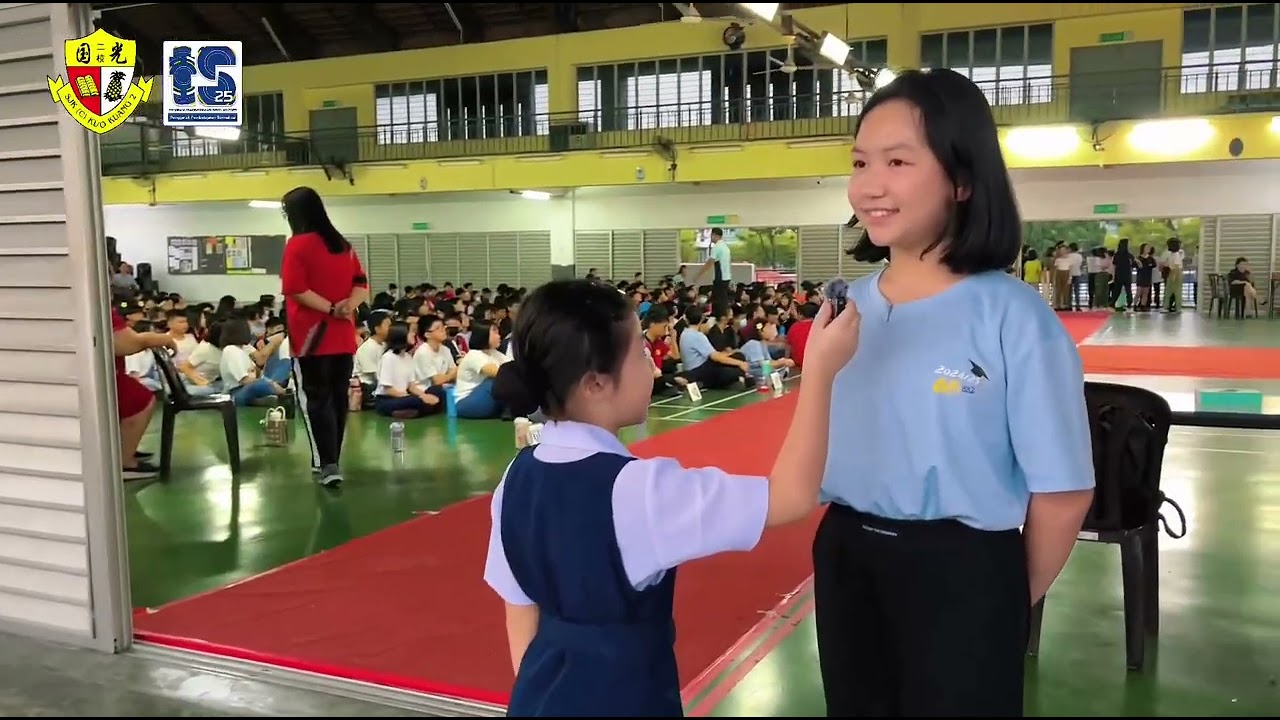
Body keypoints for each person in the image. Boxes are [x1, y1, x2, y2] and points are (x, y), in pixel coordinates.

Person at [815, 68, 1097, 718]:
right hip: (846, 554)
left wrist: (998, 600)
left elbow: (1063, 490)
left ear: (962, 180)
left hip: (967, 569)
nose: (869, 184)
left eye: (897, 161)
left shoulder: (1014, 317)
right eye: (860, 161)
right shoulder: (843, 309)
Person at [483, 278, 860, 717]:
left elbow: (520, 611)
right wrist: (819, 372)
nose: (652, 363)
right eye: (640, 352)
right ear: (595, 384)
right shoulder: (641, 491)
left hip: (539, 695)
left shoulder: (517, 475)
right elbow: (791, 497)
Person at [279, 186, 369, 487]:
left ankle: (326, 463)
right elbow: (361, 285)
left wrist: (331, 309)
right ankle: (333, 459)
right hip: (343, 335)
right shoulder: (343, 245)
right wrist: (347, 307)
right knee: (336, 399)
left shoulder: (297, 245)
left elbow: (296, 290)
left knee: (314, 399)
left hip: (310, 337)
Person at [684, 227, 732, 316]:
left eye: (712, 235)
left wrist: (698, 275)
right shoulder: (725, 247)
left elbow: (709, 263)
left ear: (715, 235)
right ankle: (722, 315)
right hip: (726, 277)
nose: (711, 237)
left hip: (720, 278)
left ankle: (719, 317)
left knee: (718, 301)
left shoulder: (717, 247)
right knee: (722, 299)